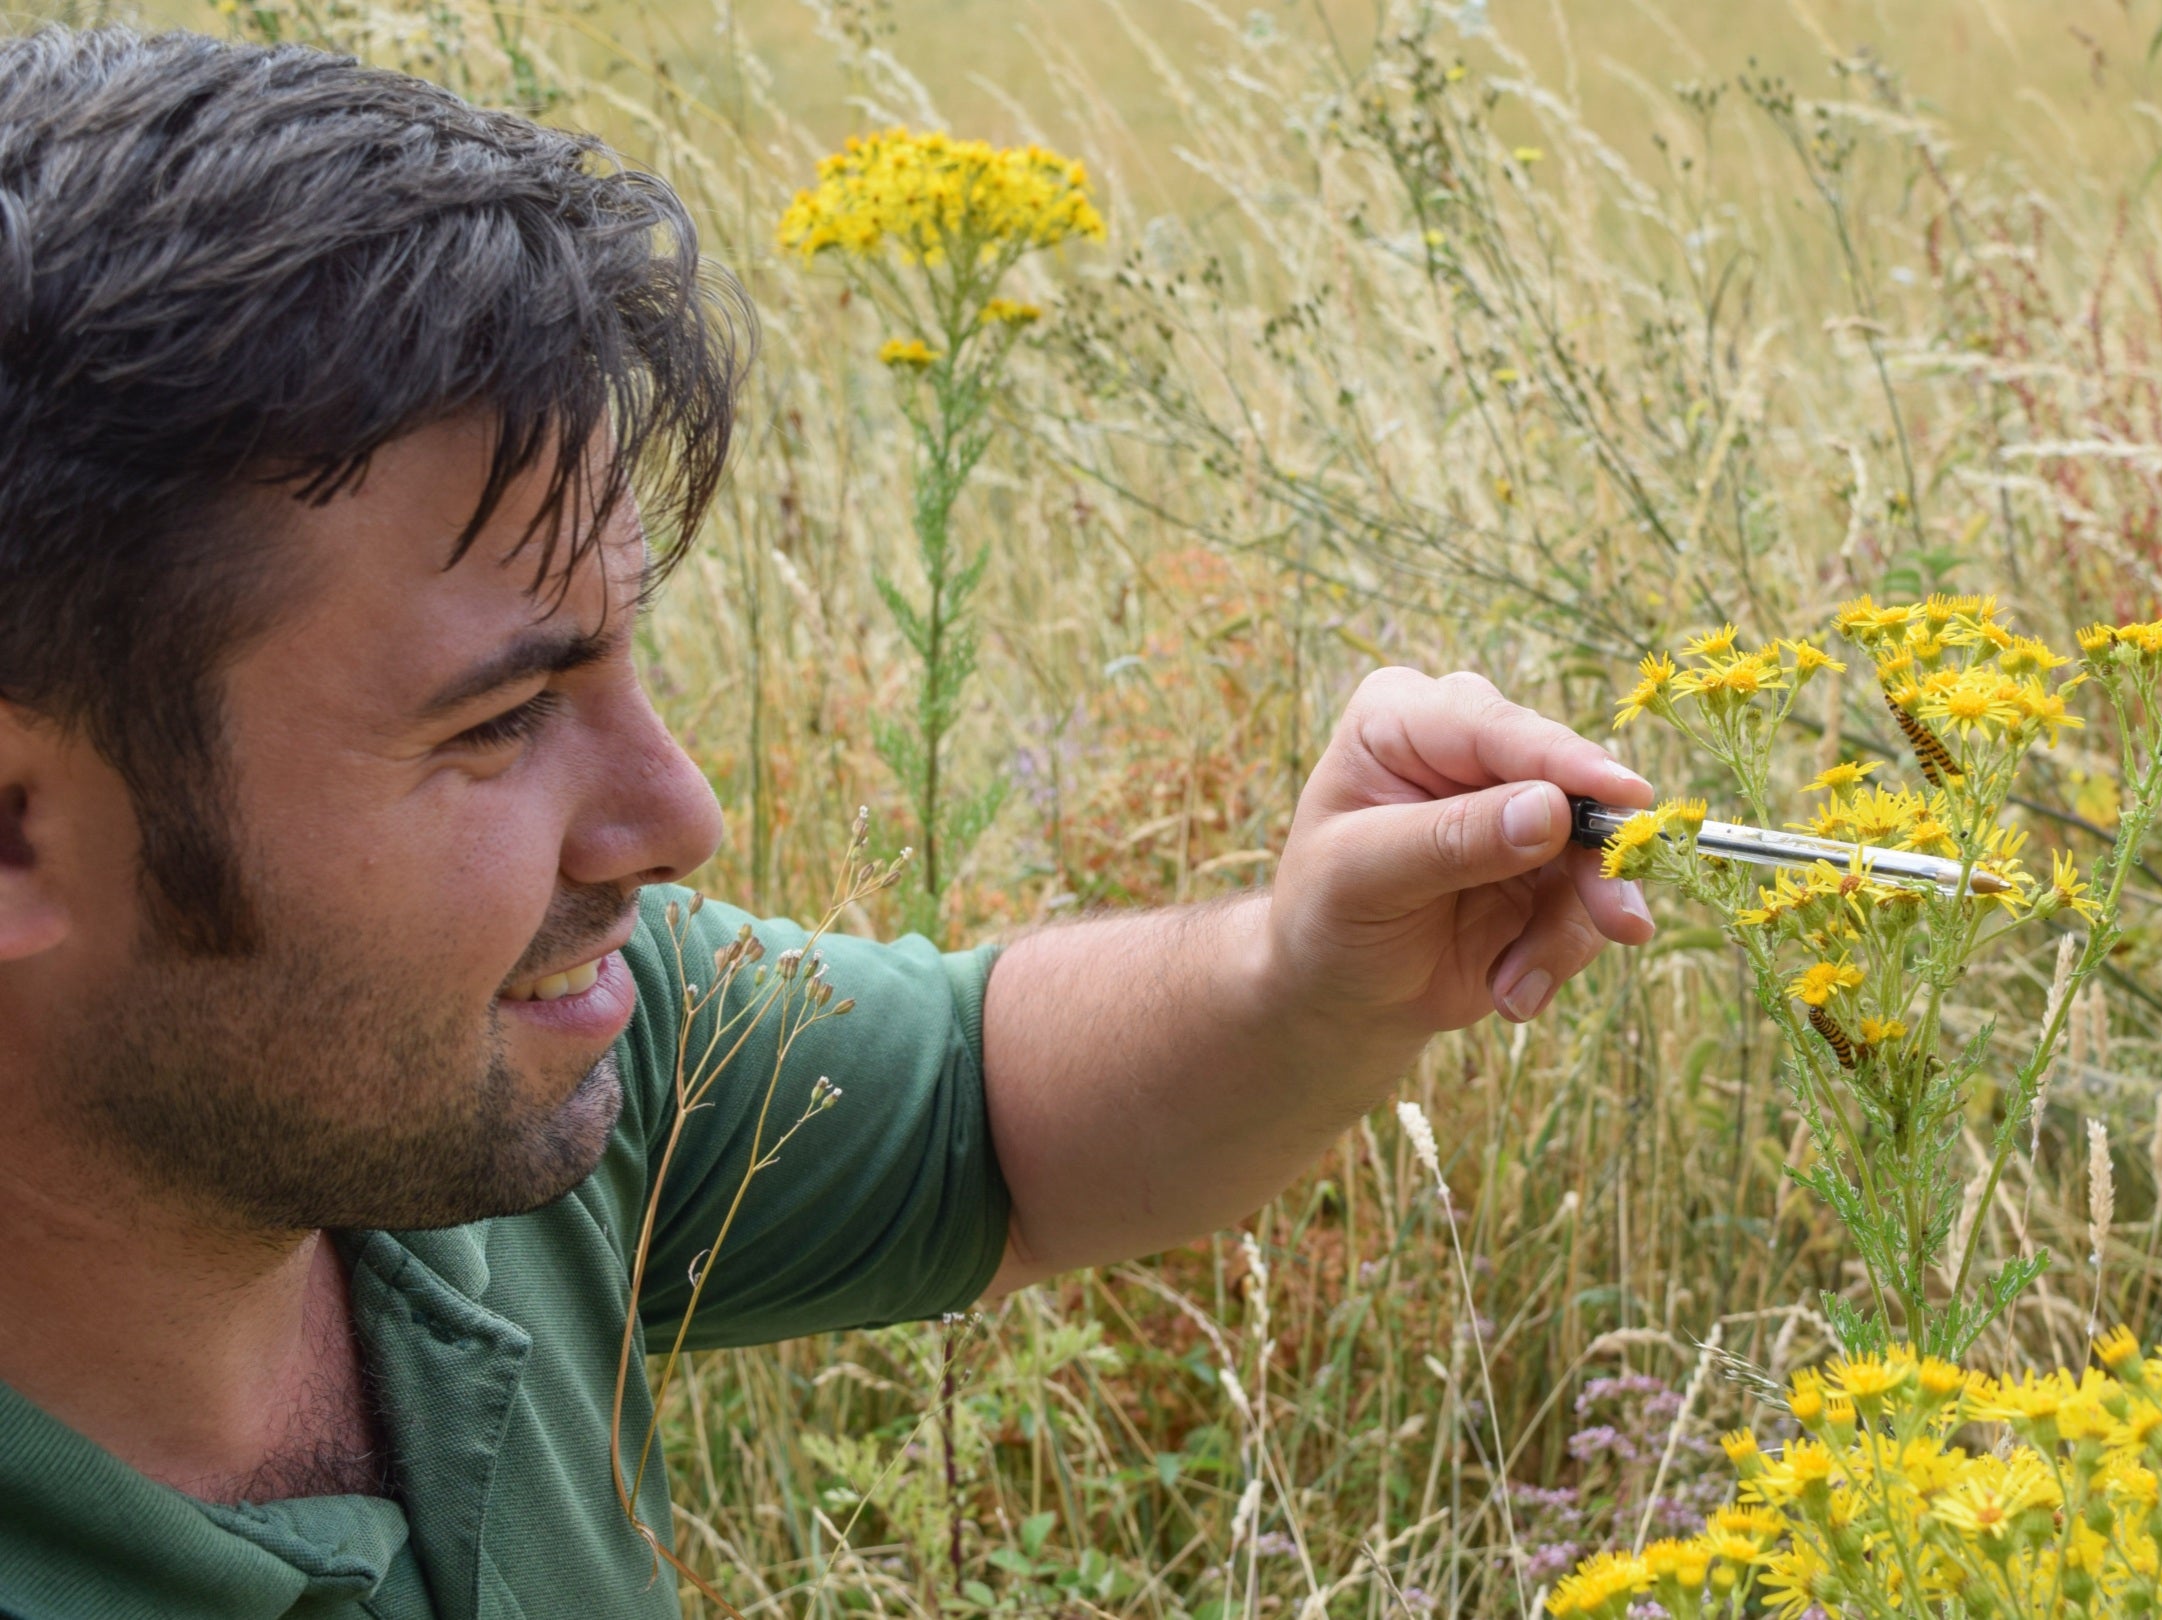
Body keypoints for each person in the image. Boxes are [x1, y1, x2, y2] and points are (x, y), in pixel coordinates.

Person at [0, 28, 1655, 1618]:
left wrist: (1312, 970)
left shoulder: (527, 1045)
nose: (679, 818)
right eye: (500, 721)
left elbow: (984, 1115)